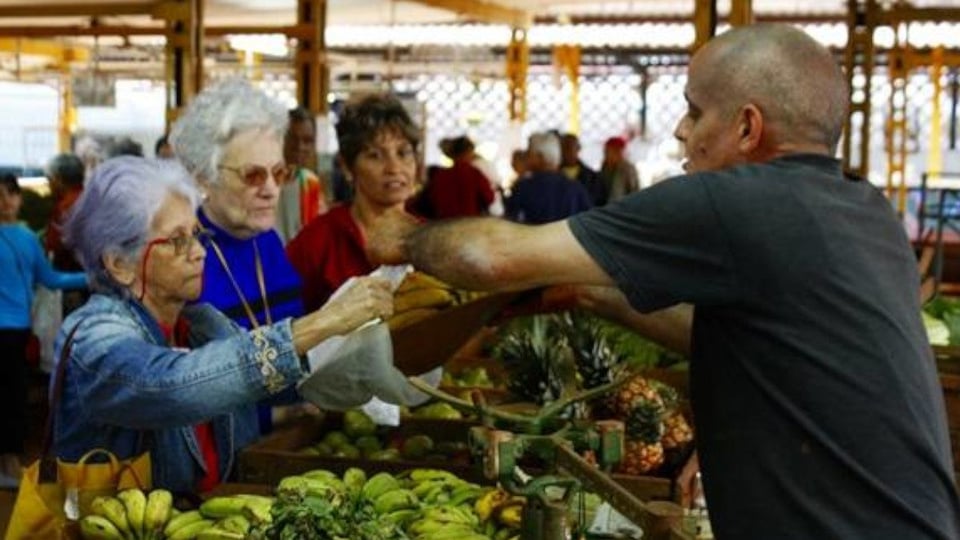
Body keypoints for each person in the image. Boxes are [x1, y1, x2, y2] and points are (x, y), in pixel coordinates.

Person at [371, 24, 960, 539]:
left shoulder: (733, 202)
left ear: (748, 128)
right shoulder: (864, 210)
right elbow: (751, 343)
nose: (680, 131)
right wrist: (596, 296)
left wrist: (399, 238)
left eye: (694, 110)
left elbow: (493, 258)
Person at [52, 157, 391, 493]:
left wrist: (385, 338)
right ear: (119, 264)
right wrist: (325, 321)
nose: (199, 252)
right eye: (178, 240)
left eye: (197, 235)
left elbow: (281, 381)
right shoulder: (93, 337)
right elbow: (172, 387)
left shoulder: (201, 323)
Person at [170, 79, 308, 433]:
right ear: (204, 177)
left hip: (290, 440)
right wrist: (271, 418)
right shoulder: (183, 256)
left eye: (279, 173)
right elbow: (178, 391)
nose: (272, 190)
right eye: (253, 175)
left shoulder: (268, 240)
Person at [286, 94, 421, 312]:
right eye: (375, 155)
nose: (394, 168)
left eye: (403, 153)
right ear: (347, 167)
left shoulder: (428, 240)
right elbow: (284, 329)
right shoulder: (317, 242)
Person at [0, 173, 86, 488]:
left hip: (19, 329)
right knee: (11, 396)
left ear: (19, 198)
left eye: (11, 193)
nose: (6, 201)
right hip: (8, 329)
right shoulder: (24, 238)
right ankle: (8, 464)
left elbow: (49, 279)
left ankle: (9, 462)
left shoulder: (26, 238)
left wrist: (92, 277)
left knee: (14, 396)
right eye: (0, 195)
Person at [504, 132, 592, 224]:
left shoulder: (523, 188)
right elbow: (588, 223)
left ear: (540, 157)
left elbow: (512, 222)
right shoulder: (576, 188)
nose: (527, 158)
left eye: (529, 153)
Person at [276, 107, 328, 243]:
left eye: (307, 140)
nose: (300, 147)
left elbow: (316, 234)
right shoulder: (265, 179)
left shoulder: (310, 182)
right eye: (293, 139)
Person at [422, 136, 495, 219]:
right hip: (470, 223)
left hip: (443, 223)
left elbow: (432, 199)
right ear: (468, 152)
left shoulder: (440, 175)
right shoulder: (474, 173)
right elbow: (489, 197)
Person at [560, 133, 607, 206]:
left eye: (569, 148)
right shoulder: (552, 175)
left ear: (578, 148)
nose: (565, 152)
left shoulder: (593, 178)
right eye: (562, 148)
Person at [599, 136, 639, 203]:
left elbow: (634, 191)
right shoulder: (605, 167)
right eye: (605, 151)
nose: (605, 154)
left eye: (607, 151)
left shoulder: (627, 168)